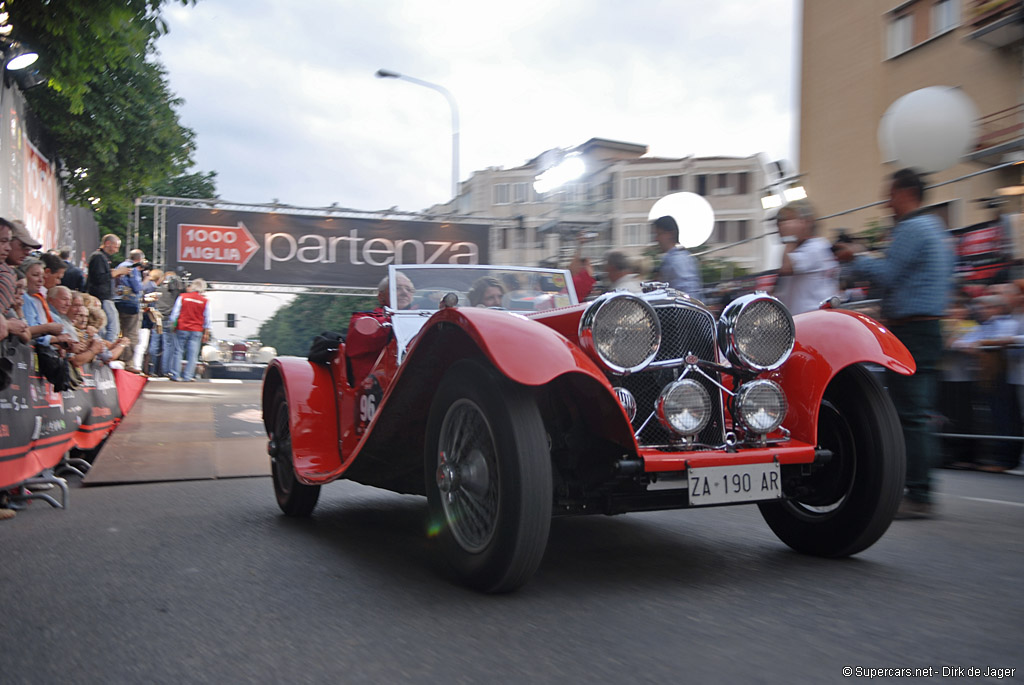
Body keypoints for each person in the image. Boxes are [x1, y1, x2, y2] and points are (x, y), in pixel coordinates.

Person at [834, 168, 955, 518]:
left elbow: (887, 275)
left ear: (905, 193)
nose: (887, 203)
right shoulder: (936, 229)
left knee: (909, 413)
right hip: (929, 327)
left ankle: (918, 495)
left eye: (890, 195)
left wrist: (854, 256)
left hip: (913, 330)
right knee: (920, 412)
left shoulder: (911, 228)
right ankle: (922, 486)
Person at [771, 199, 839, 314]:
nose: (783, 226)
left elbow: (787, 268)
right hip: (802, 321)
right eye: (781, 222)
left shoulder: (816, 247)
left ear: (806, 223)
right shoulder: (799, 249)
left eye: (789, 220)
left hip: (814, 320)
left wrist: (789, 238)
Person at [346, 273, 415, 382]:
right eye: (397, 288)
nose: (404, 293)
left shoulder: (419, 317)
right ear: (381, 296)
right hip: (374, 387)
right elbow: (366, 337)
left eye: (409, 290)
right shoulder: (363, 318)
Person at [86, 234, 131, 343]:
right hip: (102, 297)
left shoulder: (101, 257)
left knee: (107, 326)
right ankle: (107, 350)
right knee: (112, 326)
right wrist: (116, 272)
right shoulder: (98, 257)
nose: (116, 251)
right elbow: (99, 278)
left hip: (104, 297)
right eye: (115, 247)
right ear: (107, 244)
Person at [168, 278, 212, 382]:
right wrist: (206, 332)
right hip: (196, 329)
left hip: (182, 327)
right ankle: (188, 376)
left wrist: (173, 325)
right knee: (193, 354)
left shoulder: (183, 297)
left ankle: (175, 374)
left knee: (178, 351)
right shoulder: (204, 301)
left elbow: (175, 313)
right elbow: (207, 318)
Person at [652, 215, 702, 299]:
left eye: (659, 234)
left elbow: (686, 294)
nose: (656, 239)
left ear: (671, 234)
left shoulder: (674, 261)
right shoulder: (687, 257)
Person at [114, 248, 147, 370]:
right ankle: (128, 363)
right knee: (132, 334)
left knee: (118, 332)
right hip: (131, 304)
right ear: (139, 259)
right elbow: (137, 287)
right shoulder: (132, 267)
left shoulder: (120, 265)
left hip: (117, 301)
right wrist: (146, 280)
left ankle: (116, 357)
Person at [150, 268, 183, 376]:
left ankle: (152, 369)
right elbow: (182, 288)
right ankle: (165, 371)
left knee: (154, 345)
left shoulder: (157, 290)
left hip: (157, 319)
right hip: (169, 320)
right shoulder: (175, 293)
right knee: (168, 346)